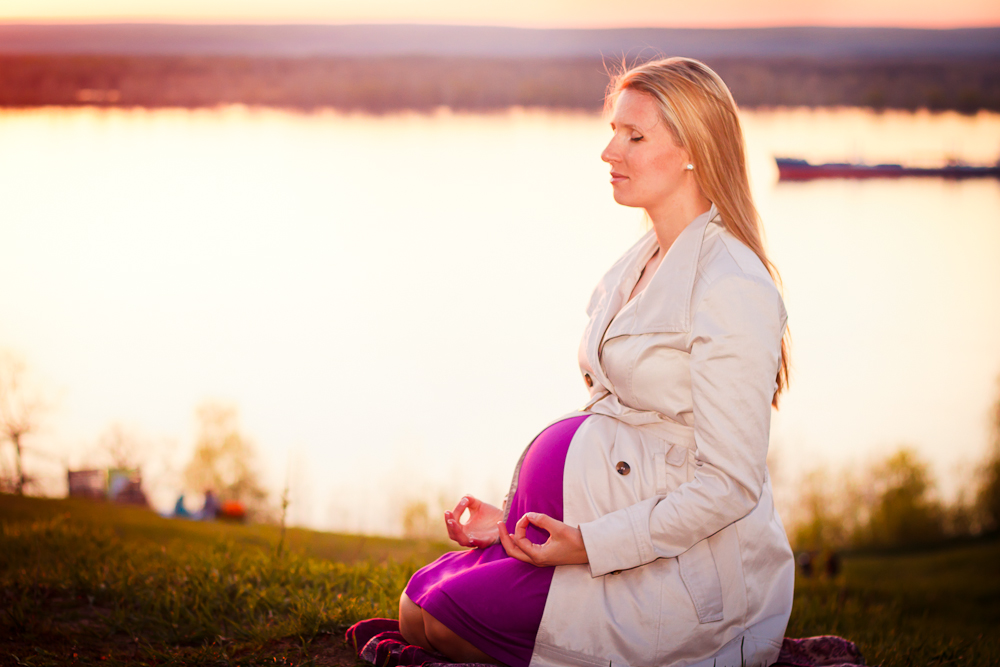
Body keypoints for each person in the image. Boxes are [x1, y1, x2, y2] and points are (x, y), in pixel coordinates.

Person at [398, 57, 795, 667]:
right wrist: (517, 522)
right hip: (593, 530)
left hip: (679, 569)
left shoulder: (732, 285)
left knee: (446, 622)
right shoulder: (644, 257)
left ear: (694, 151)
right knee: (415, 605)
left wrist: (586, 544)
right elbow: (618, 435)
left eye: (635, 137)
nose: (610, 152)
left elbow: (728, 486)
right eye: (614, 131)